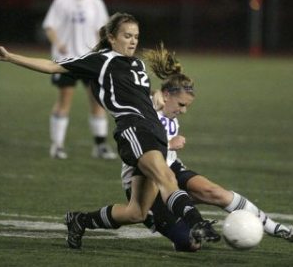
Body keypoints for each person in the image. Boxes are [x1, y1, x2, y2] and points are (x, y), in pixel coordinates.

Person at [0, 13, 221, 252]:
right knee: (167, 177)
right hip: (133, 129)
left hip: (153, 132)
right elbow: (53, 66)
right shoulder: (100, 60)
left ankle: (80, 220)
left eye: (136, 36)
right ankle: (198, 223)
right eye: (127, 36)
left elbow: (134, 93)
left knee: (136, 212)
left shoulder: (138, 65)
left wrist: (153, 95)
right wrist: (9, 57)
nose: (133, 41)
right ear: (112, 38)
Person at [121, 45, 293, 251]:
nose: (183, 111)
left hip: (170, 169)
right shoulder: (148, 106)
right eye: (181, 104)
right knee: (191, 244)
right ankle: (145, 215)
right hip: (144, 179)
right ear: (166, 95)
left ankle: (278, 229)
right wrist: (168, 142)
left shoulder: (169, 108)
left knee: (215, 192)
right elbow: (134, 138)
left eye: (187, 106)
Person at [42, 0, 116, 159]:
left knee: (97, 101)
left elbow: (103, 29)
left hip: (90, 60)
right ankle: (57, 146)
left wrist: (102, 49)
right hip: (66, 59)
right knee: (64, 101)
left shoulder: (95, 3)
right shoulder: (61, 2)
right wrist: (58, 43)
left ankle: (100, 146)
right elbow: (49, 27)